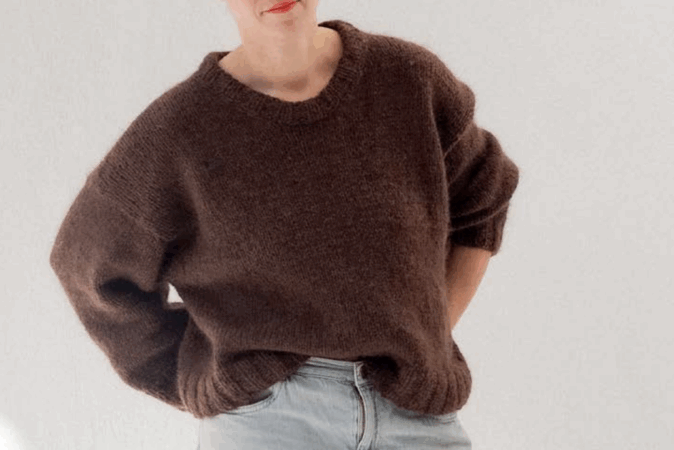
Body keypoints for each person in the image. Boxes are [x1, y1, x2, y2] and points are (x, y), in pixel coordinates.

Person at [49, 0, 520, 448]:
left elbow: (485, 193)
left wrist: (429, 333)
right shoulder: (178, 132)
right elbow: (85, 266)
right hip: (269, 422)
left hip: (416, 412)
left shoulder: (408, 80)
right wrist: (200, 373)